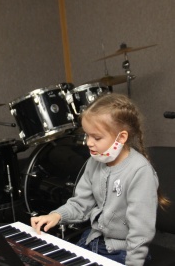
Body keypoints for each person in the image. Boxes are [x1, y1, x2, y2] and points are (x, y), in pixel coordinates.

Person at [31, 93, 170, 266]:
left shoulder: (139, 172)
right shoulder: (94, 162)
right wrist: (57, 215)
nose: (88, 143)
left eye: (96, 137)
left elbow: (140, 232)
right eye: (87, 135)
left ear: (121, 138)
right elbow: (81, 204)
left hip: (124, 251)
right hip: (92, 240)